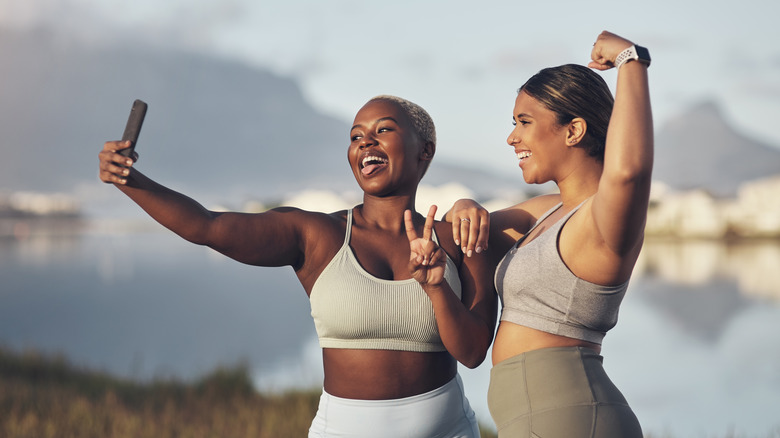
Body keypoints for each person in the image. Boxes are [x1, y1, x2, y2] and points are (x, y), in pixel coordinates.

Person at [98, 95, 497, 437]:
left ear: (424, 150)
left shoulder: (460, 238)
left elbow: (474, 352)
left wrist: (436, 287)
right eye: (355, 136)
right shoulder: (316, 235)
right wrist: (131, 180)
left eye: (383, 130)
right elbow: (207, 226)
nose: (365, 142)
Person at [446, 31, 650, 437]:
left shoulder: (605, 221)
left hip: (574, 421)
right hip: (541, 421)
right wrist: (464, 204)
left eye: (525, 122)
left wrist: (631, 61)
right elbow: (467, 229)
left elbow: (628, 171)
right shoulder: (549, 210)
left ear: (573, 130)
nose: (512, 137)